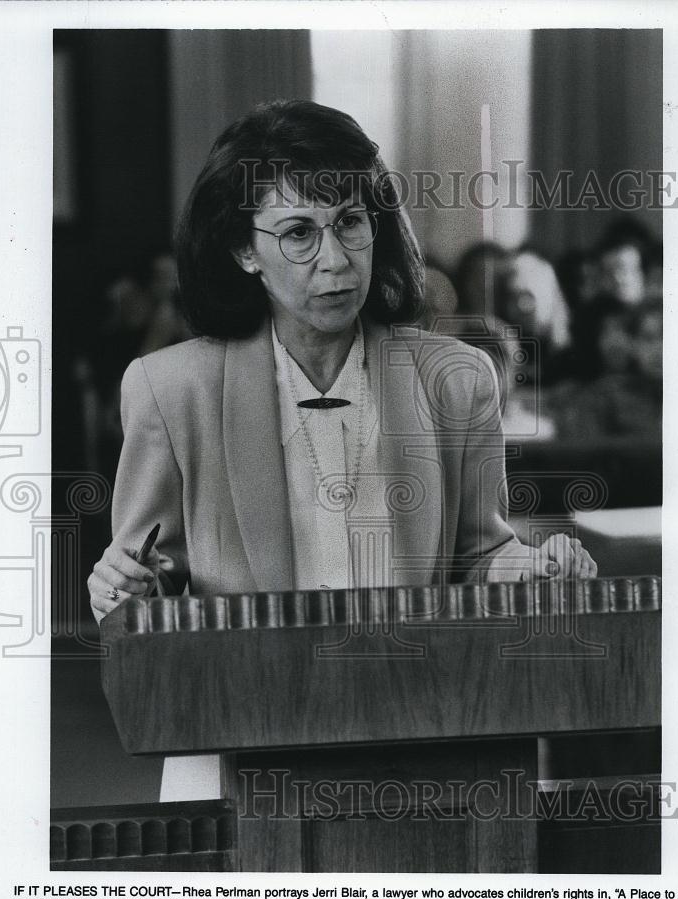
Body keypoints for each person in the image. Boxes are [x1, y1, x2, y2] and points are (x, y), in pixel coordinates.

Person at [87, 100, 596, 797]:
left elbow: (478, 555)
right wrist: (127, 589)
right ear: (243, 250)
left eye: (350, 223)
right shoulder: (171, 388)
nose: (335, 261)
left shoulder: (455, 379)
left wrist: (532, 570)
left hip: (416, 734)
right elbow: (153, 583)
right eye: (298, 232)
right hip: (240, 738)